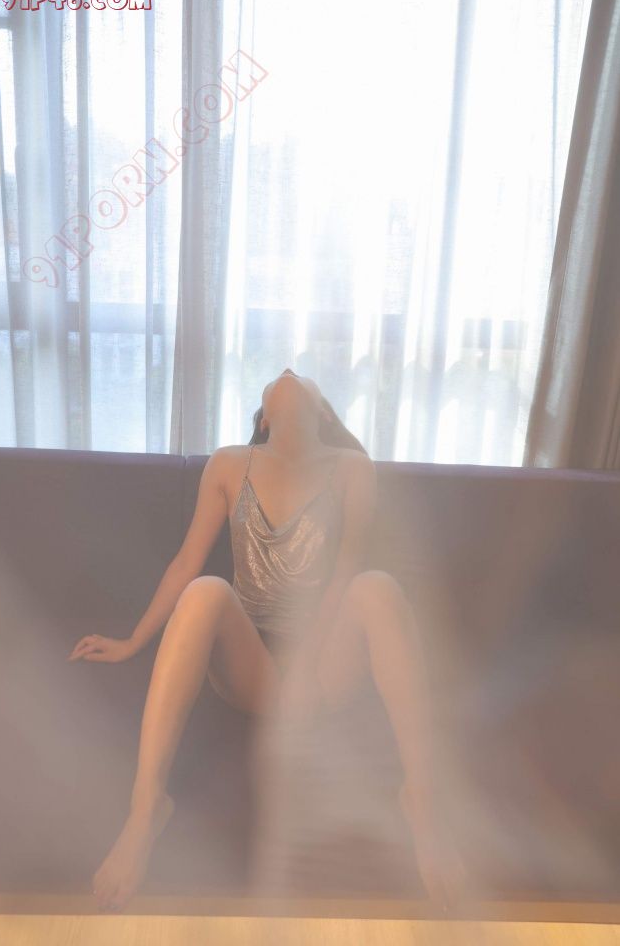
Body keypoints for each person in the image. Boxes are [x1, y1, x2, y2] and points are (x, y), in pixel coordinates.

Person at [67, 368, 468, 913]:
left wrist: (306, 665)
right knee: (206, 589)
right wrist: (132, 640)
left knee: (377, 587)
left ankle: (421, 802)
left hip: (322, 666)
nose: (288, 372)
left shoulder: (353, 468)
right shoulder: (229, 464)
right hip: (250, 664)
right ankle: (144, 811)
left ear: (322, 412)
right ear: (263, 418)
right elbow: (186, 562)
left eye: (304, 378)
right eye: (276, 379)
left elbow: (346, 569)